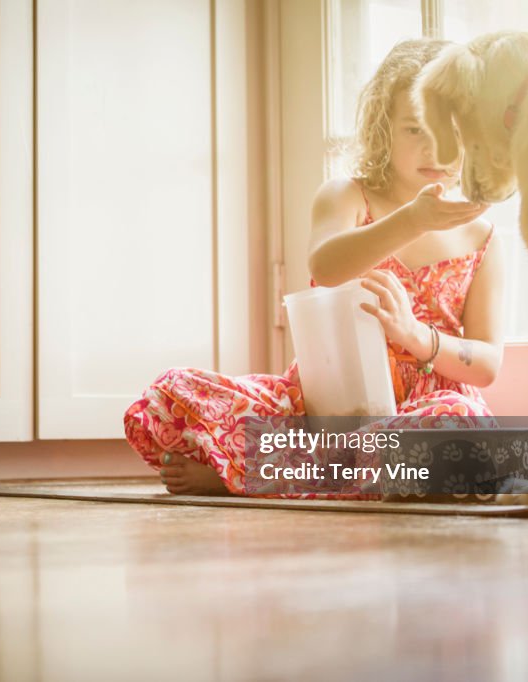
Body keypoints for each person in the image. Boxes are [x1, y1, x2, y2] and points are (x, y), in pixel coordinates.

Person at [123, 39, 505, 497]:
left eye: (452, 132)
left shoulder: (483, 237)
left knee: (456, 426)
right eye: (415, 129)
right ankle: (314, 472)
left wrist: (416, 336)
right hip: (321, 411)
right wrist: (412, 220)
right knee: (173, 391)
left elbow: (486, 365)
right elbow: (325, 268)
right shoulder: (346, 195)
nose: (435, 149)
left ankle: (255, 474)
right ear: (384, 129)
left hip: (424, 415)